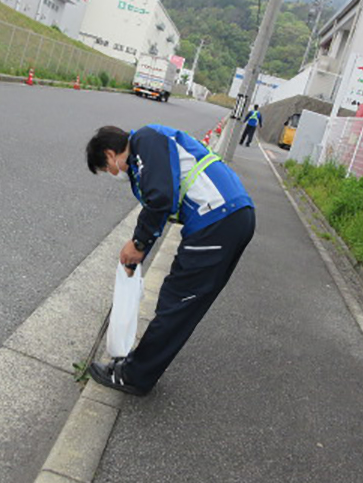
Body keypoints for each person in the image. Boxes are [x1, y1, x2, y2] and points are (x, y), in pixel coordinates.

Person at [84, 124, 256, 395]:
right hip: (233, 218)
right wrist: (139, 251)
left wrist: (139, 244)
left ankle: (133, 376)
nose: (113, 173)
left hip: (218, 221)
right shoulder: (151, 146)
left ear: (109, 153)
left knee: (176, 303)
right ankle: (139, 369)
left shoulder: (144, 139)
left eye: (107, 167)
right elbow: (162, 202)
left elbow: (161, 197)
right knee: (184, 307)